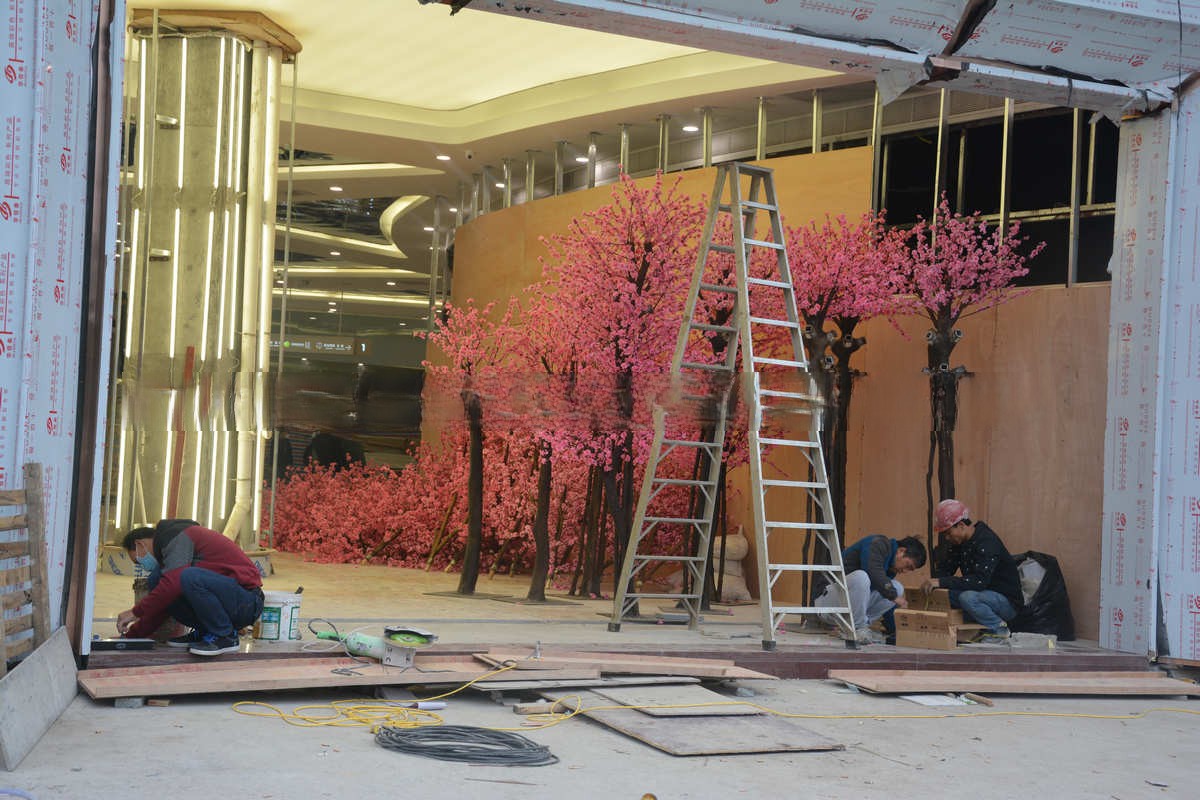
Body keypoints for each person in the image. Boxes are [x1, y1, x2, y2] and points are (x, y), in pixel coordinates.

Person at [116, 518, 265, 656]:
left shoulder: (177, 537)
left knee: (188, 577)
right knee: (158, 579)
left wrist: (134, 612)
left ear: (140, 544)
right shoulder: (169, 555)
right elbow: (162, 605)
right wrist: (130, 638)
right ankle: (206, 631)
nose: (142, 564)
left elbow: (172, 585)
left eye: (138, 561)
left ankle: (224, 636)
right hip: (229, 602)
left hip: (247, 601)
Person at [922, 499, 1023, 643]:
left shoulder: (987, 542)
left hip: (1006, 602)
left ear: (961, 525)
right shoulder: (959, 543)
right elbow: (946, 570)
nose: (947, 538)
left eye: (948, 533)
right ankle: (972, 630)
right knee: (943, 596)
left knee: (967, 598)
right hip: (982, 596)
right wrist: (934, 585)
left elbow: (978, 582)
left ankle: (999, 629)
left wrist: (941, 581)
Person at [815, 534, 927, 644]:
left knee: (897, 588)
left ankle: (859, 627)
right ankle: (858, 628)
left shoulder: (890, 568)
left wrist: (896, 632)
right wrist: (893, 596)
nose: (905, 571)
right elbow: (872, 571)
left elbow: (885, 594)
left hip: (844, 611)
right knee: (862, 577)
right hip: (826, 604)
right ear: (901, 551)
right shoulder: (877, 543)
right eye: (908, 565)